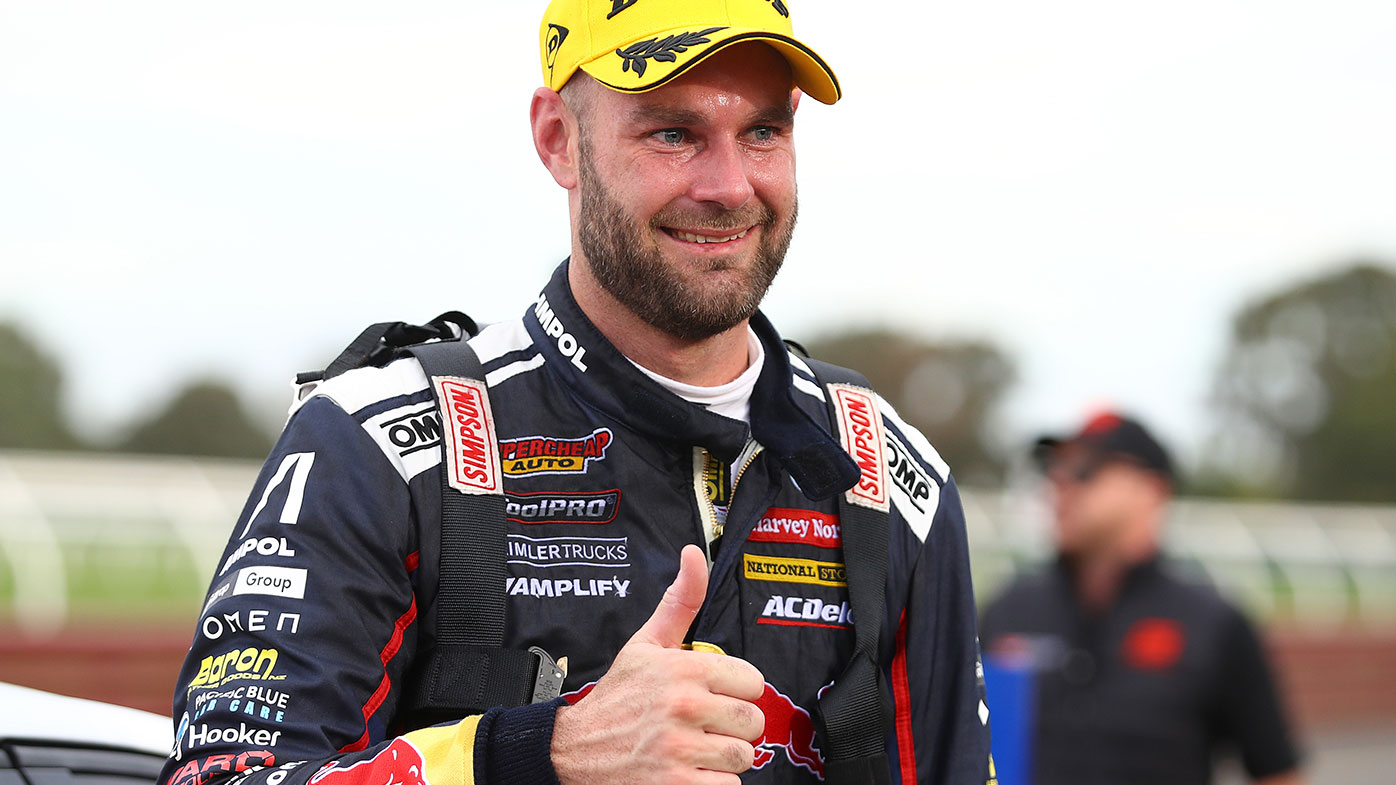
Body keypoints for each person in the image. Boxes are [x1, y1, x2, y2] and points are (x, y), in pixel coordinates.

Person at [158, 2, 993, 785]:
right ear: (558, 138)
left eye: (764, 131)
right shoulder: (385, 444)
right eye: (674, 133)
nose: (731, 185)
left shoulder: (885, 473)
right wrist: (537, 753)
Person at [979, 412, 1304, 785]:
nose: (1060, 483)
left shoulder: (1213, 622)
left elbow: (1277, 771)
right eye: (1054, 469)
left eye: (1085, 470)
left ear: (1151, 490)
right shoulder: (1008, 609)